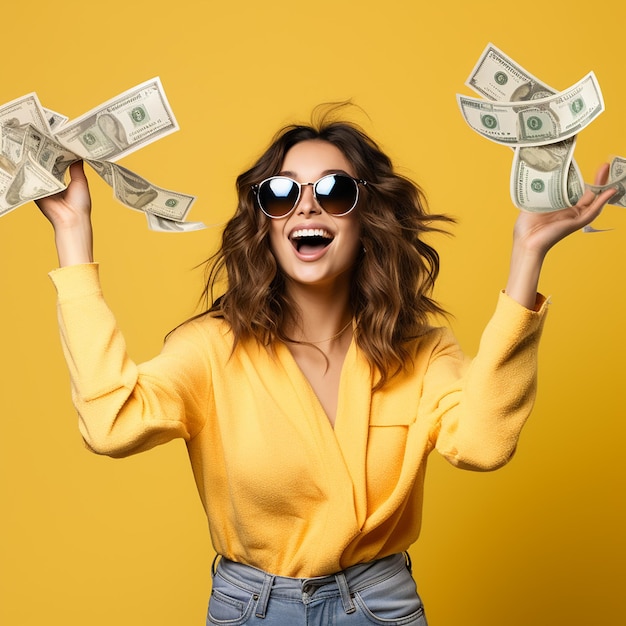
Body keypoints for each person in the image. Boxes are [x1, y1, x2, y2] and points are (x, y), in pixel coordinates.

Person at [36, 111, 615, 626]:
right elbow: (111, 423)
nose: (306, 205)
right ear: (264, 222)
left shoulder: (423, 352)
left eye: (335, 190)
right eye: (282, 193)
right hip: (251, 609)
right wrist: (73, 238)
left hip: (381, 606)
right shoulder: (213, 348)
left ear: (367, 219)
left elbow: (485, 445)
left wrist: (527, 258)